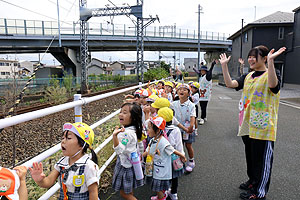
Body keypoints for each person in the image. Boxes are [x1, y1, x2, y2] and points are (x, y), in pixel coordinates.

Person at [219, 45, 286, 200]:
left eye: (254, 56)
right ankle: (253, 181)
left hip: (264, 128)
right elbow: (230, 84)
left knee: (262, 160)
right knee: (251, 157)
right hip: (248, 124)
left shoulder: (272, 73)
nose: (250, 59)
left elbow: (272, 86)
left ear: (263, 58)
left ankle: (259, 192)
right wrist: (224, 67)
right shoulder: (248, 76)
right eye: (249, 56)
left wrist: (270, 63)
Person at [29, 122, 100, 200]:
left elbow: (93, 193)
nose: (63, 141)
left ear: (81, 145)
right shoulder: (62, 163)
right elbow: (48, 182)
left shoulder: (88, 166)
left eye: (68, 138)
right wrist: (40, 180)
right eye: (63, 138)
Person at [143, 117, 186, 200]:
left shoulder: (163, 142)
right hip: (154, 167)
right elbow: (147, 151)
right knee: (156, 186)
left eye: (149, 128)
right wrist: (140, 157)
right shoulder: (152, 140)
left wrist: (182, 156)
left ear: (158, 130)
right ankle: (161, 196)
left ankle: (161, 197)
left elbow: (172, 150)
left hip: (161, 171)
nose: (147, 130)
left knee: (157, 187)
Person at [112, 102, 144, 200]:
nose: (121, 114)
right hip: (131, 163)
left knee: (124, 194)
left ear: (133, 117)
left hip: (124, 166)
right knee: (128, 191)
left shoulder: (126, 134)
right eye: (121, 111)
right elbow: (140, 145)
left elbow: (119, 150)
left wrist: (114, 136)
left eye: (125, 112)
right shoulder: (134, 129)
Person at [157, 107, 184, 200]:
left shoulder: (158, 129)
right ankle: (174, 193)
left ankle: (164, 192)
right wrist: (182, 156)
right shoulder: (176, 130)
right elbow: (179, 145)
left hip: (162, 157)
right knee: (174, 176)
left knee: (164, 175)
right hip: (173, 157)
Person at [170, 84, 196, 173]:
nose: (181, 91)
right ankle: (179, 161)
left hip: (188, 129)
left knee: (188, 146)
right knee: (177, 146)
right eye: (179, 89)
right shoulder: (173, 104)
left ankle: (191, 161)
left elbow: (193, 116)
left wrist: (191, 127)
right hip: (177, 129)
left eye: (184, 90)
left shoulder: (191, 105)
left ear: (189, 93)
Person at [193, 60, 218, 125]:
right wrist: (194, 68)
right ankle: (204, 117)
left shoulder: (207, 76)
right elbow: (198, 72)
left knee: (203, 106)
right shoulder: (202, 76)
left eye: (203, 70)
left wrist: (212, 64)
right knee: (202, 106)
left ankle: (202, 118)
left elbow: (210, 71)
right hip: (201, 94)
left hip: (205, 94)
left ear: (205, 71)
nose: (201, 71)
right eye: (201, 70)